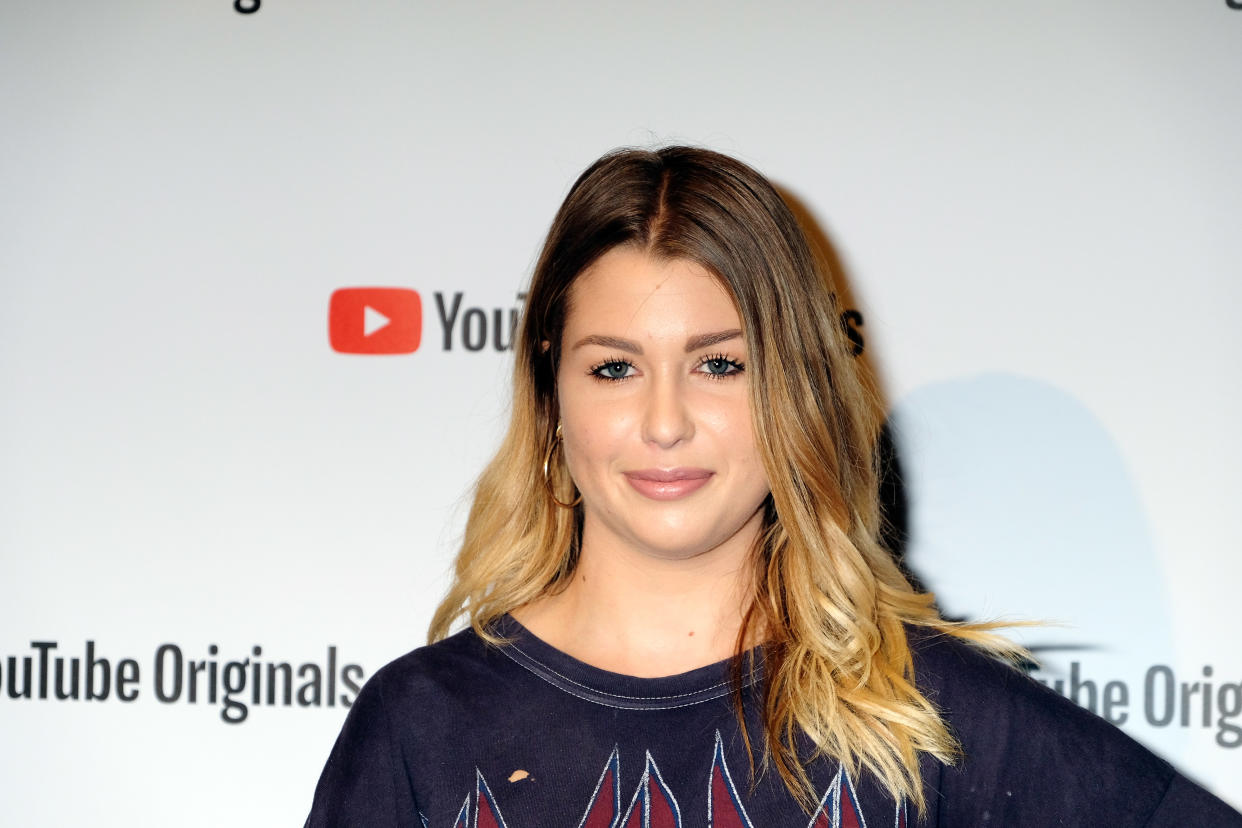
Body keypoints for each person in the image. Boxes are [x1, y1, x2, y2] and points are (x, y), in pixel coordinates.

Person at [306, 147, 1240, 826]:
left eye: (719, 366)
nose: (664, 421)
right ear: (550, 393)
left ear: (793, 386)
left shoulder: (931, 718)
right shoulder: (420, 726)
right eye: (614, 369)